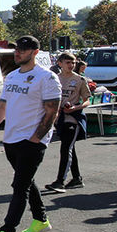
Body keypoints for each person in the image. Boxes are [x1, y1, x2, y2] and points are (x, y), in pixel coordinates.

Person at [0, 36, 62, 232]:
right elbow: (2, 106)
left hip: (32, 141)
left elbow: (52, 110)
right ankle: (41, 219)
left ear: (35, 52)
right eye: (17, 49)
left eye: (23, 50)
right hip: (10, 140)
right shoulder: (12, 76)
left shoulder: (47, 78)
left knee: (19, 186)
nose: (17, 53)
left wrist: (36, 138)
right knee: (26, 180)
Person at [45, 53, 91, 193]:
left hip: (73, 119)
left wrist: (75, 108)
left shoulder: (79, 80)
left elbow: (87, 100)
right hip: (59, 119)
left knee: (66, 149)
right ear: (59, 63)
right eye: (67, 62)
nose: (71, 65)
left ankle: (60, 181)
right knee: (69, 148)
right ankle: (77, 178)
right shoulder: (55, 79)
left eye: (73, 63)